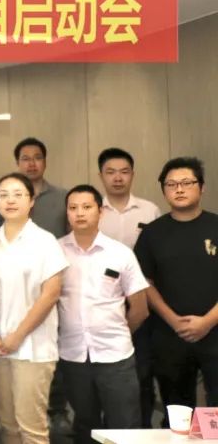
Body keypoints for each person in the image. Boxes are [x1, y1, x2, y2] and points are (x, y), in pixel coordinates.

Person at [58, 184, 149, 441]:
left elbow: (140, 309)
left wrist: (117, 331)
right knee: (84, 426)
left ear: (101, 212)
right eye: (73, 208)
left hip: (115, 355)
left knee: (124, 426)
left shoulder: (121, 253)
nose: (80, 213)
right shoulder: (55, 252)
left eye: (87, 207)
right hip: (73, 355)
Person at [0, 172, 68, 444]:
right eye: (3, 195)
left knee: (31, 427)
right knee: (6, 425)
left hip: (34, 347)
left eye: (18, 194)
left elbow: (51, 294)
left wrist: (17, 335)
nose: (10, 200)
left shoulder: (45, 241)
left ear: (31, 201)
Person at [134, 157, 218, 408]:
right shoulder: (152, 233)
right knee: (178, 410)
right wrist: (172, 320)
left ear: (202, 187)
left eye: (186, 183)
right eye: (171, 184)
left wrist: (207, 321)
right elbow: (145, 281)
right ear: (164, 190)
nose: (179, 189)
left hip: (215, 331)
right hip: (169, 334)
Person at [96, 147, 161, 426]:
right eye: (111, 172)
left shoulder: (149, 210)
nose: (118, 178)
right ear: (101, 175)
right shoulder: (93, 210)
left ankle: (142, 429)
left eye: (124, 172)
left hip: (142, 299)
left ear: (133, 174)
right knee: (104, 374)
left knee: (142, 371)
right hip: (102, 301)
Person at [13, 137, 67, 237]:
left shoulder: (64, 197)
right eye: (26, 159)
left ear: (45, 162)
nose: (32, 164)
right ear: (17, 163)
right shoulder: (8, 200)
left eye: (37, 158)